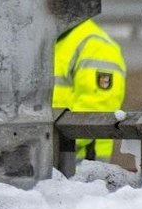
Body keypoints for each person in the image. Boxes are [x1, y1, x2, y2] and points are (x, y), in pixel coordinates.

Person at [53, 18, 127, 160]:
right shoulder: (52, 40)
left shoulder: (95, 46)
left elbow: (96, 110)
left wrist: (49, 148)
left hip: (83, 164)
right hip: (54, 161)